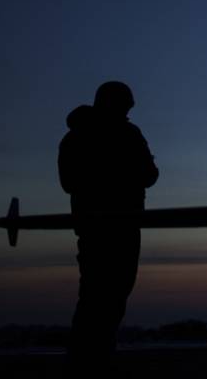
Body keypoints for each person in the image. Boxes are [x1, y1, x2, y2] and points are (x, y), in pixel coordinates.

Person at [59, 81, 158, 370]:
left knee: (98, 293)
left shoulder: (75, 137)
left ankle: (90, 357)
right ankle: (90, 359)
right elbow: (149, 174)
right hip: (118, 225)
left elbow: (69, 182)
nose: (128, 111)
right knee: (106, 294)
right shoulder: (127, 134)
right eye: (126, 105)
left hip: (95, 226)